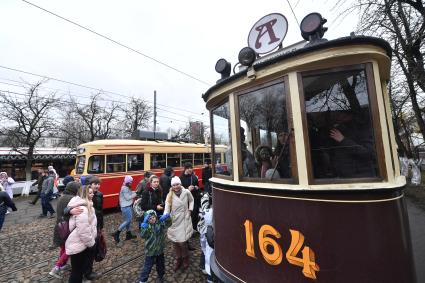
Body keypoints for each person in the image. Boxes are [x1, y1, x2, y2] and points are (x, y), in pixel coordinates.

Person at [65, 185, 97, 283]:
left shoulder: (85, 205)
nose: (93, 194)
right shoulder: (83, 208)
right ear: (84, 194)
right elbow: (83, 231)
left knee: (78, 270)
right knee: (76, 271)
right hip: (79, 243)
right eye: (90, 193)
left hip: (80, 243)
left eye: (92, 192)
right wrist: (91, 243)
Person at [49, 181, 79, 279]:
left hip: (59, 225)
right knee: (68, 248)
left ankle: (62, 265)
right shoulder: (72, 199)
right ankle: (56, 268)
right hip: (66, 226)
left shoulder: (62, 196)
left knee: (63, 247)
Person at [164, 176, 194, 271]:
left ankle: (185, 258)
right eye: (174, 185)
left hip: (184, 218)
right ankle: (178, 259)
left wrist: (190, 210)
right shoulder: (170, 194)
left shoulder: (186, 192)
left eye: (177, 184)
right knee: (175, 241)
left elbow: (191, 200)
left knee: (182, 242)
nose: (176, 186)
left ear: (180, 184)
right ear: (172, 186)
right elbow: (167, 206)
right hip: (174, 220)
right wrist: (165, 215)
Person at [139, 210, 171, 283]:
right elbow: (143, 235)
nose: (152, 219)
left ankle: (160, 276)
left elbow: (168, 224)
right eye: (150, 218)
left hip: (160, 251)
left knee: (161, 265)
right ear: (147, 220)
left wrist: (167, 218)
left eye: (153, 217)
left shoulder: (160, 224)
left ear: (156, 217)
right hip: (150, 252)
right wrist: (144, 227)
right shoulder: (147, 227)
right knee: (147, 267)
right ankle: (143, 280)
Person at [85, 176, 103, 280]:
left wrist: (101, 226)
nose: (97, 186)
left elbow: (101, 212)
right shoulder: (86, 195)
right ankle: (87, 272)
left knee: (94, 249)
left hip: (97, 225)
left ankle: (89, 270)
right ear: (90, 185)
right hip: (89, 226)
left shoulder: (100, 194)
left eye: (98, 184)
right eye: (95, 184)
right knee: (89, 250)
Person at [112, 175, 137, 243]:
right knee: (128, 220)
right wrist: (136, 194)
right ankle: (117, 233)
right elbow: (128, 197)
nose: (131, 183)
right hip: (126, 207)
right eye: (130, 182)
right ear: (127, 182)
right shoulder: (125, 188)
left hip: (126, 206)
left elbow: (130, 193)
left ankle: (128, 234)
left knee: (127, 221)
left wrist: (135, 192)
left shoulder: (126, 187)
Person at [179, 162, 200, 231]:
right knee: (187, 215)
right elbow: (178, 190)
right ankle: (187, 229)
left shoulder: (194, 177)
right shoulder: (180, 178)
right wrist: (187, 189)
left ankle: (194, 228)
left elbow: (197, 186)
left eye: (191, 168)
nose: (190, 169)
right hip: (185, 200)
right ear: (185, 169)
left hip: (194, 199)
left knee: (194, 214)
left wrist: (197, 188)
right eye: (188, 168)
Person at [197, 192, 212, 275]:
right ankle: (203, 265)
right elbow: (205, 210)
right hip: (205, 227)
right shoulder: (205, 197)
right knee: (205, 246)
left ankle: (203, 265)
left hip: (209, 227)